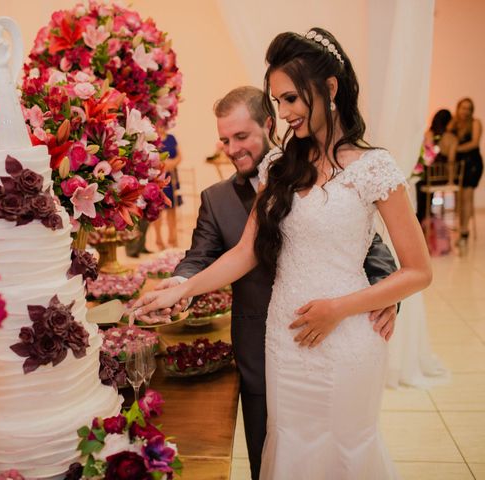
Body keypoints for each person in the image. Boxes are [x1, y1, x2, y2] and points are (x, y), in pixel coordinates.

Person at [141, 84, 400, 479]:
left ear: (268, 123)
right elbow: (204, 255)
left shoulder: (329, 174)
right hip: (266, 347)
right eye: (225, 140)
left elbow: (371, 246)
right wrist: (180, 284)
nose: (232, 149)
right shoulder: (217, 198)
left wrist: (382, 299)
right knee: (276, 453)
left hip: (336, 335)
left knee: (339, 446)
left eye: (241, 136)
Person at [449, 97, 483, 245]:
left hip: (472, 164)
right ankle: (460, 227)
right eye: (463, 108)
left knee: (467, 198)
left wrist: (455, 150)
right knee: (459, 198)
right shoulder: (454, 124)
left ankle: (464, 231)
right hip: (459, 166)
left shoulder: (475, 123)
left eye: (469, 108)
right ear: (458, 108)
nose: (466, 111)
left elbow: (474, 143)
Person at [415, 109, 458, 222]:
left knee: (420, 182)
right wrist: (450, 180)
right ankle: (427, 214)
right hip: (441, 179)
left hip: (427, 178)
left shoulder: (428, 134)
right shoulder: (452, 138)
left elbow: (424, 156)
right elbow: (451, 162)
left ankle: (422, 216)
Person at [154, 128, 183, 249]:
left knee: (172, 208)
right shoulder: (153, 139)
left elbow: (180, 156)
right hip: (158, 176)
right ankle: (159, 239)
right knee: (158, 208)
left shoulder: (171, 138)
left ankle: (172, 236)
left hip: (172, 176)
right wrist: (163, 165)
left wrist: (172, 163)